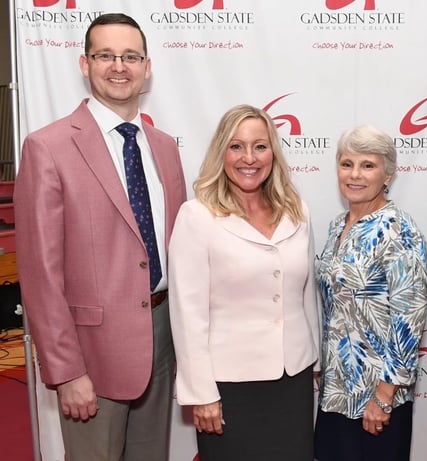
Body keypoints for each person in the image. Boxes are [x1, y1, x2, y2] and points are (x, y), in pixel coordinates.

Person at [14, 13, 186, 461]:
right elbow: (39, 274)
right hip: (91, 352)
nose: (119, 66)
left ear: (147, 67)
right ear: (84, 63)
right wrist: (67, 372)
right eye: (105, 55)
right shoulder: (47, 147)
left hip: (163, 338)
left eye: (130, 56)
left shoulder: (165, 146)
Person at [168, 104, 320, 461]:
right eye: (236, 146)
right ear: (221, 152)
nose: (248, 158)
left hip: (292, 379)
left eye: (260, 146)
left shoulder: (297, 210)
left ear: (273, 153)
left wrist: (315, 361)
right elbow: (187, 314)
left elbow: (305, 292)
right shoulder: (197, 216)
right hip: (228, 385)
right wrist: (201, 392)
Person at [314, 125, 427, 461]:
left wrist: (383, 395)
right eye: (347, 164)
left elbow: (409, 319)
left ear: (388, 175)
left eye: (368, 165)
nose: (355, 175)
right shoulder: (337, 225)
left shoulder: (399, 230)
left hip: (376, 399)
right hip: (335, 393)